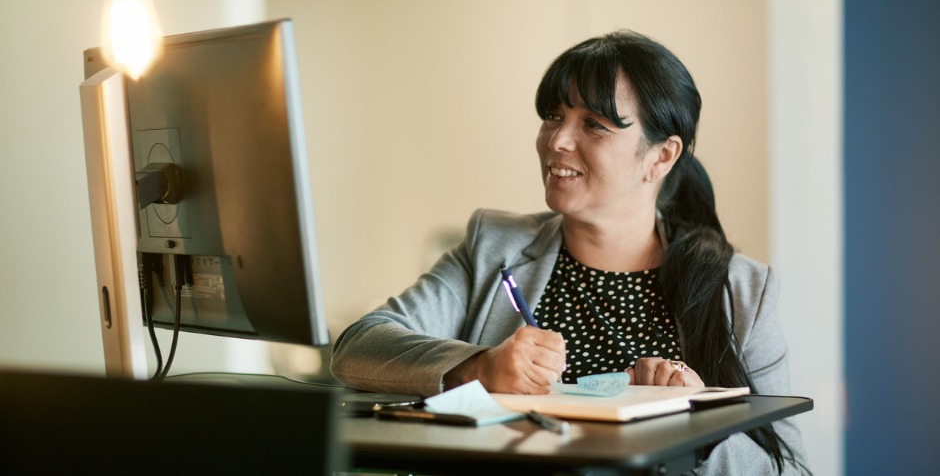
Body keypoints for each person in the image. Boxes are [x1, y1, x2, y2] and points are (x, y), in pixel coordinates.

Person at [331, 30, 808, 475]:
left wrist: (698, 427)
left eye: (594, 125)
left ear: (661, 156)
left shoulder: (742, 290)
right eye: (554, 116)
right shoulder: (493, 246)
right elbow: (358, 348)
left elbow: (790, 468)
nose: (557, 140)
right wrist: (477, 368)